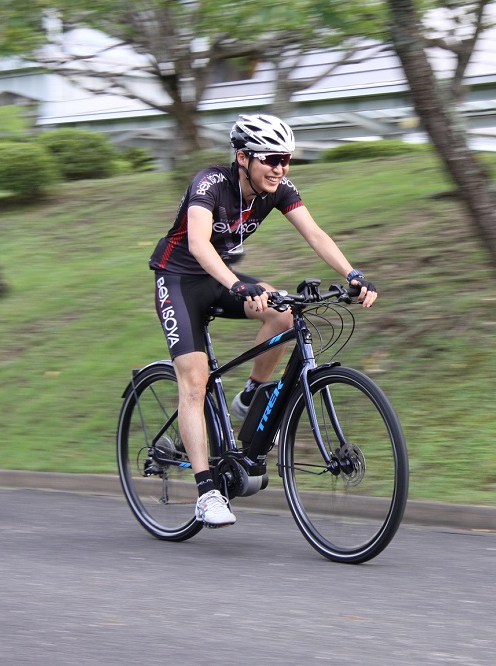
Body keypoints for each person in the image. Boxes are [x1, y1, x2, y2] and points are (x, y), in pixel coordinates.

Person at [148, 113, 377, 528]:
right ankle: (206, 494)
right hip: (179, 279)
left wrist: (352, 274)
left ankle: (250, 395)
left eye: (286, 159)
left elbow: (315, 234)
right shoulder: (210, 183)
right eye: (271, 159)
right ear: (243, 158)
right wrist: (237, 284)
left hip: (220, 277)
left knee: (283, 312)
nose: (280, 168)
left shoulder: (279, 189)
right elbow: (198, 244)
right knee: (195, 381)